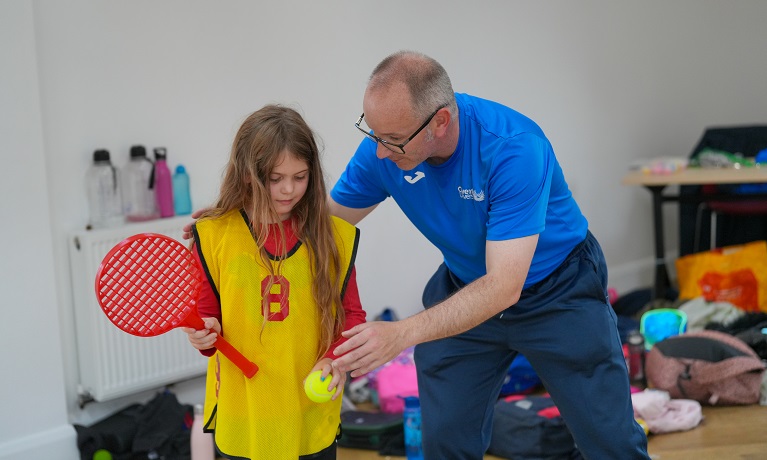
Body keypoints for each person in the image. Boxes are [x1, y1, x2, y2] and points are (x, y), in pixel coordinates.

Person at [327, 51, 650, 459]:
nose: (379, 152)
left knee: (611, 443)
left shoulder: (513, 148)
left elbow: (502, 286)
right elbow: (325, 230)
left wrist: (400, 335)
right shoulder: (385, 148)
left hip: (559, 290)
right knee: (445, 442)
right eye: (371, 133)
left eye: (391, 139)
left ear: (440, 122)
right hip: (465, 285)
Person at [182, 104, 365, 460]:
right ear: (248, 173)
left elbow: (352, 318)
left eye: (300, 177)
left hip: (309, 416)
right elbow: (207, 330)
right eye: (275, 178)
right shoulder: (213, 236)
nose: (288, 190)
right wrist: (202, 334)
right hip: (244, 416)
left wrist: (334, 360)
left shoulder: (335, 239)